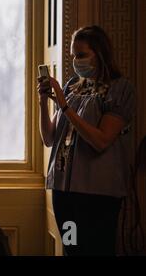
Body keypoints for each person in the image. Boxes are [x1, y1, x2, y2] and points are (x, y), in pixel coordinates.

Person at [38, 26, 136, 256]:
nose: (76, 61)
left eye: (82, 55)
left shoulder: (120, 89)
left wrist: (63, 105)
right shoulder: (73, 85)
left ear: (100, 54)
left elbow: (102, 140)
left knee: (95, 250)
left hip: (97, 195)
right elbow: (49, 138)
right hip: (64, 193)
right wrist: (43, 102)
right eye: (73, 55)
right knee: (72, 249)